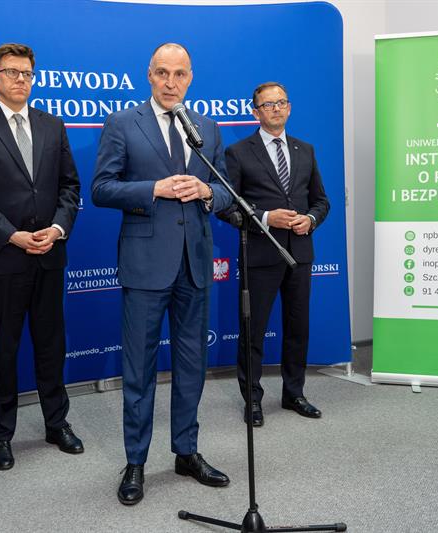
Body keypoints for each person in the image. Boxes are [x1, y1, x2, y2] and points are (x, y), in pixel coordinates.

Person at [92, 43, 233, 506]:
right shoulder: (122, 123)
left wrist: (206, 192)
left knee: (192, 365)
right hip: (145, 264)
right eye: (162, 73)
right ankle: (135, 461)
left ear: (190, 78)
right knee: (140, 369)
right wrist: (154, 188)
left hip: (195, 262)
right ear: (149, 75)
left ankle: (186, 452)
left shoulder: (206, 128)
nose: (171, 82)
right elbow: (101, 188)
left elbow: (226, 191)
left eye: (180, 74)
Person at [0, 43, 83, 471]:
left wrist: (58, 229)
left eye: (27, 73)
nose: (21, 80)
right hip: (5, 257)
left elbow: (70, 187)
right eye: (12, 73)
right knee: (5, 349)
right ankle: (2, 436)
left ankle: (56, 423)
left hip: (50, 254)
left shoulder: (52, 125)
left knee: (52, 345)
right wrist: (12, 235)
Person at [220, 82, 330, 427]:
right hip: (260, 254)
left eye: (281, 102)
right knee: (253, 331)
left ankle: (294, 393)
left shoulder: (305, 150)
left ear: (289, 107)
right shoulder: (238, 152)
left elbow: (321, 201)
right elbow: (226, 206)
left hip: (300, 253)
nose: (276, 109)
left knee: (298, 328)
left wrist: (310, 220)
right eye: (268, 105)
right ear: (256, 112)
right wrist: (266, 218)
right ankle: (252, 399)